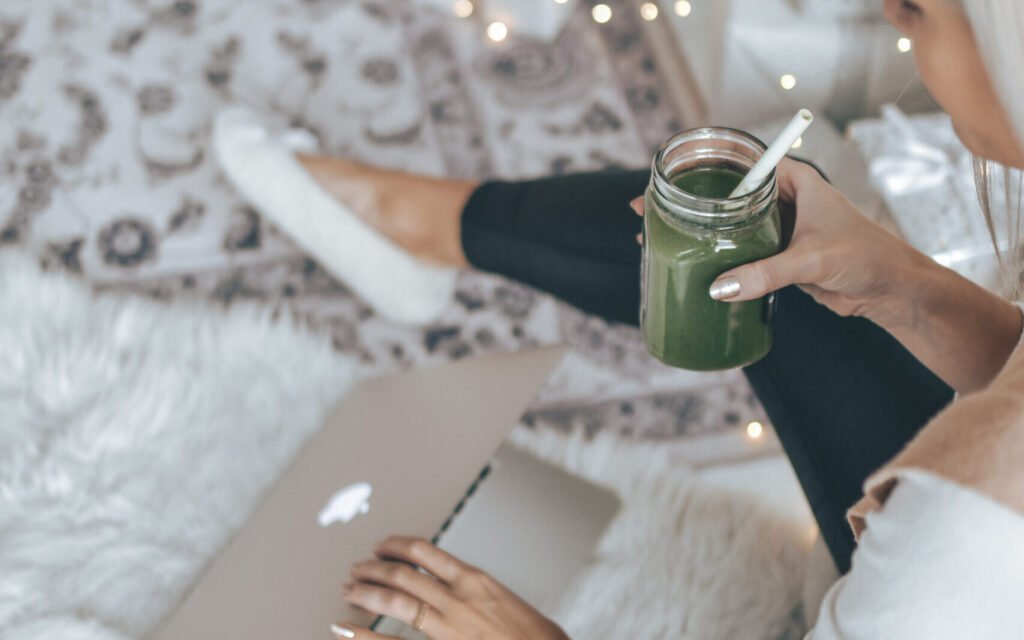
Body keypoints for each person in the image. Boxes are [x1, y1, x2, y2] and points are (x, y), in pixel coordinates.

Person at [215, 0, 1024, 638]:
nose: (891, 15)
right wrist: (902, 285)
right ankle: (412, 228)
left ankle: (403, 224)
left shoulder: (958, 543)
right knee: (768, 228)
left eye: (919, 5)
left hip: (935, 585)